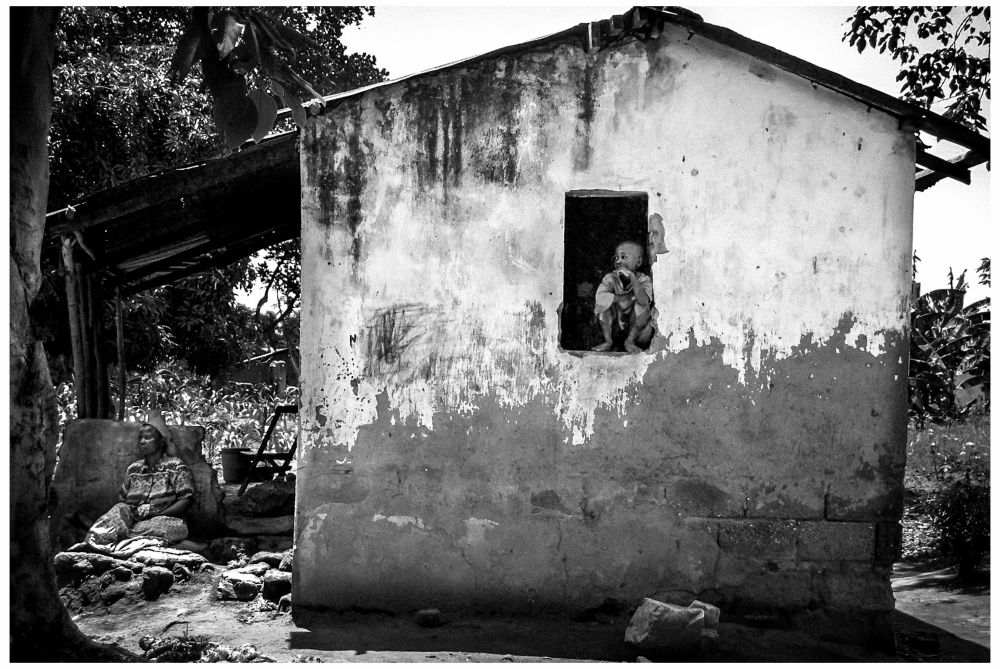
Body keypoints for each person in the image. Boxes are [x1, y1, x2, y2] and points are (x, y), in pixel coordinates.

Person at [69, 410, 194, 554]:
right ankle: (100, 539)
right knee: (118, 510)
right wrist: (128, 515)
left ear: (161, 442)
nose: (142, 441)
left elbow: (186, 500)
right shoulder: (133, 470)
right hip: (134, 521)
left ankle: (114, 539)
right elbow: (122, 503)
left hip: (164, 520)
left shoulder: (175, 466)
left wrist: (156, 514)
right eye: (140, 438)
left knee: (161, 529)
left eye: (148, 437)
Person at [592, 240, 656, 353]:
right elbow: (600, 298)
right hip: (615, 326)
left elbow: (644, 300)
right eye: (616, 258)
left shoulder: (644, 280)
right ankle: (608, 341)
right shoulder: (610, 278)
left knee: (642, 305)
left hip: (638, 331)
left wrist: (632, 276)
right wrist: (625, 298)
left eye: (623, 257)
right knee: (602, 306)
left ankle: (630, 341)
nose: (619, 261)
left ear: (639, 262)